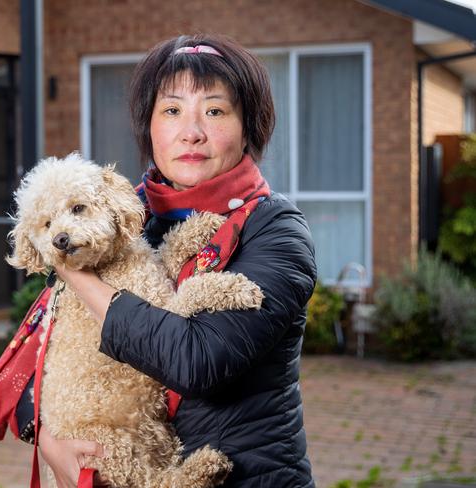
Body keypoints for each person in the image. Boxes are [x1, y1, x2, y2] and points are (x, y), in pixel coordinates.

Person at [38, 34, 317, 487]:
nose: (192, 132)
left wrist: (78, 274)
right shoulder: (118, 213)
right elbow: (45, 347)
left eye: (214, 110)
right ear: (149, 126)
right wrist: (49, 440)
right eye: (172, 111)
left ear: (248, 127)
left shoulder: (276, 231)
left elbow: (197, 361)